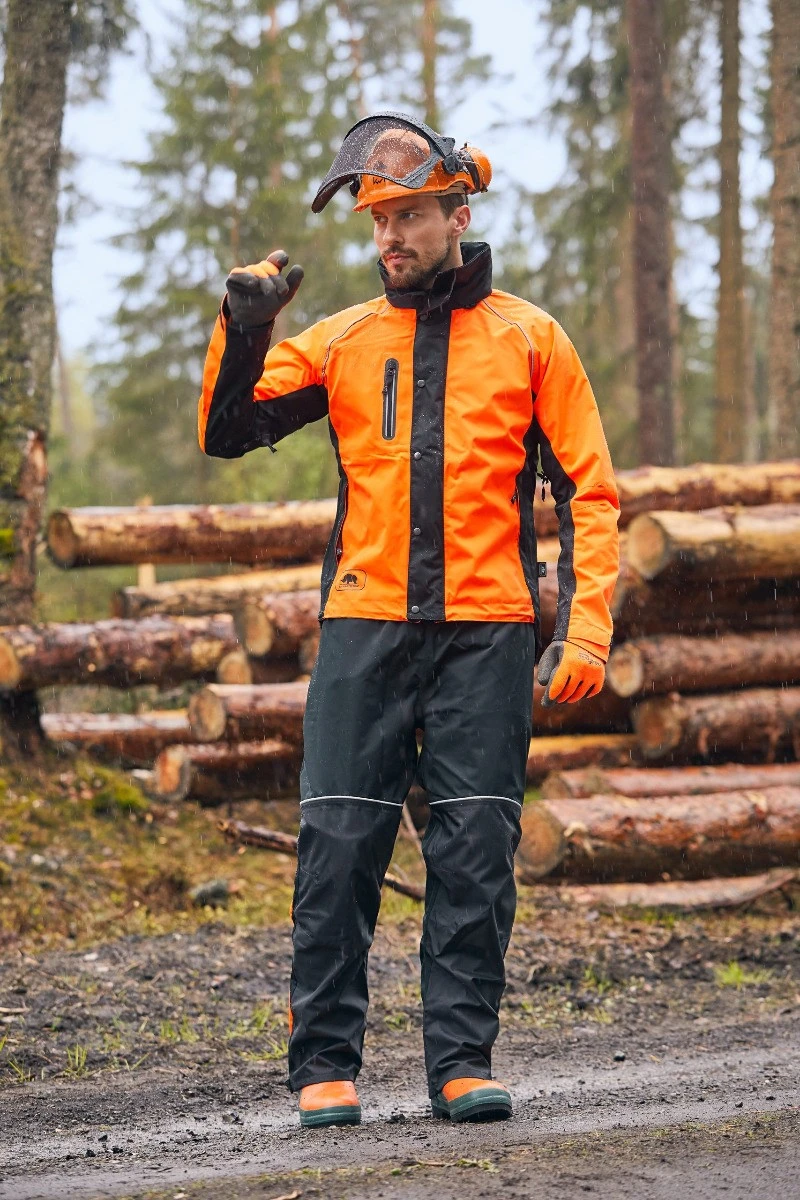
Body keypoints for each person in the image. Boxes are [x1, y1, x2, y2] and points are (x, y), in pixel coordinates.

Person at [198, 112, 620, 1129]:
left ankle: (461, 1062)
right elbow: (229, 428)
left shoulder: (530, 338)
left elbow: (589, 493)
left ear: (456, 215)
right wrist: (245, 327)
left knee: (475, 850)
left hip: (489, 631)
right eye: (377, 220)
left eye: (409, 217)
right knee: (339, 844)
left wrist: (586, 628)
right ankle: (324, 1064)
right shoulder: (341, 340)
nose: (389, 237)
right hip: (365, 626)